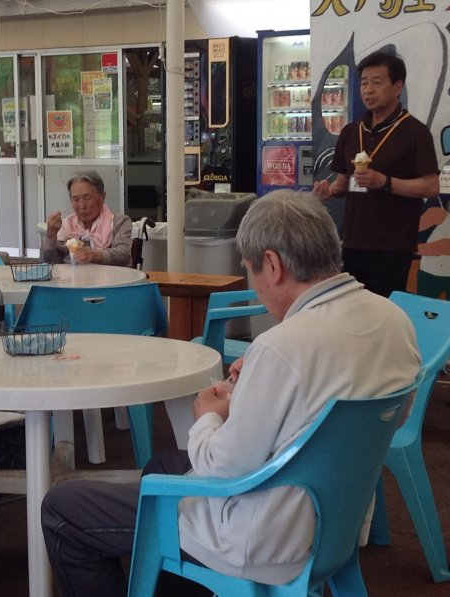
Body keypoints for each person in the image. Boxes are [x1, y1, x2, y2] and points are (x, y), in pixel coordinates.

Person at [41, 190, 420, 597]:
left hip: (263, 540)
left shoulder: (282, 347)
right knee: (164, 465)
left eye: (251, 270)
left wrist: (208, 414)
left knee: (62, 507)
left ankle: (180, 568)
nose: (255, 286)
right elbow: (370, 416)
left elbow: (222, 467)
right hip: (336, 522)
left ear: (272, 264)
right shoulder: (395, 320)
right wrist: (254, 388)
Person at [313, 50, 439, 297]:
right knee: (353, 308)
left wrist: (385, 182)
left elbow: (431, 186)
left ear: (397, 87)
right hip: (353, 243)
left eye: (377, 82)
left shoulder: (415, 132)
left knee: (385, 311)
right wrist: (328, 191)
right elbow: (342, 184)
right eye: (364, 83)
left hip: (393, 246)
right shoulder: (351, 132)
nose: (368, 90)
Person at [41, 170, 133, 267]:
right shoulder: (66, 226)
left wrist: (95, 255)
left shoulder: (119, 222)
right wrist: (50, 235)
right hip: (71, 276)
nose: (82, 206)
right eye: (76, 199)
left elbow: (123, 255)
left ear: (102, 197)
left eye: (88, 198)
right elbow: (48, 263)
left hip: (110, 276)